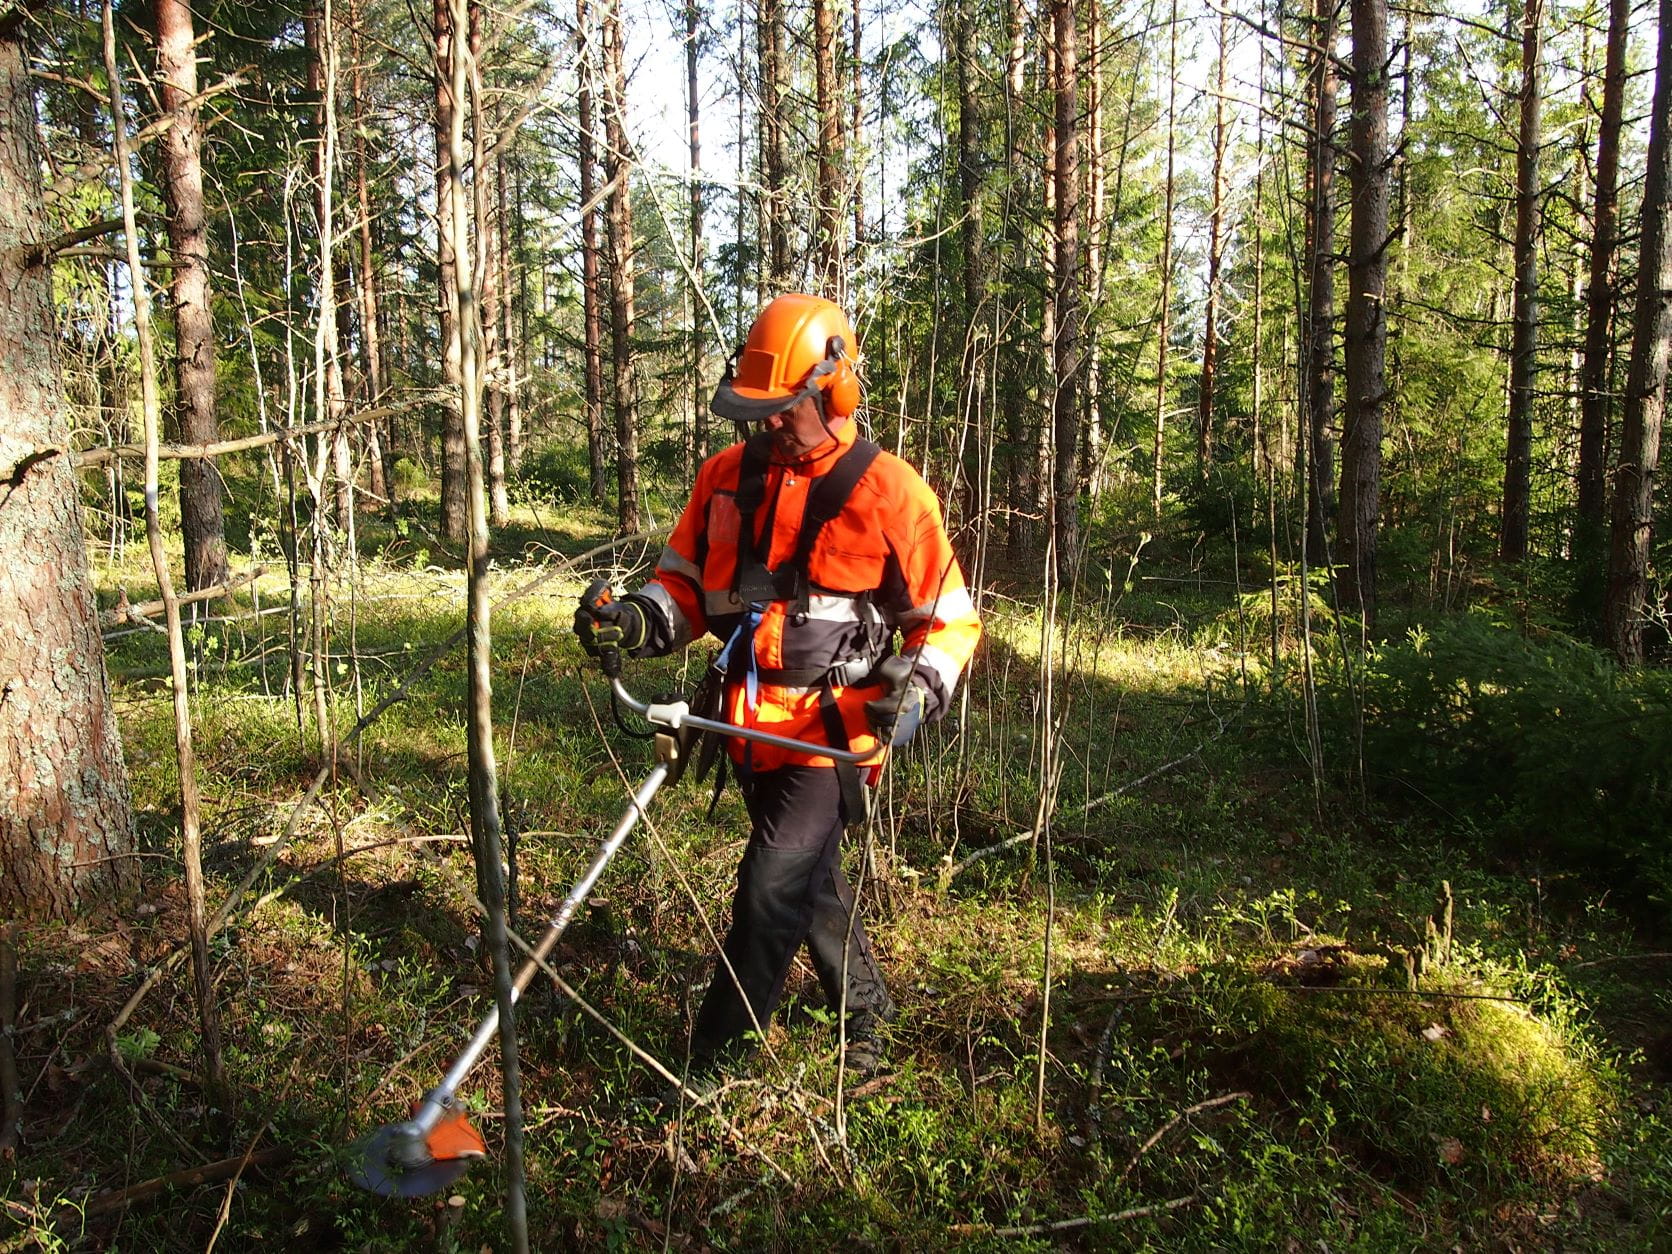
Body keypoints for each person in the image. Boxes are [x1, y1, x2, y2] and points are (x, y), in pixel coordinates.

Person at [574, 293, 981, 1079]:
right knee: (808, 881)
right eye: (755, 409)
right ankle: (868, 1014)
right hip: (743, 728)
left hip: (832, 736)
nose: (765, 425)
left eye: (782, 409)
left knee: (766, 892)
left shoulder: (892, 494)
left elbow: (950, 621)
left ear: (836, 393)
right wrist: (635, 619)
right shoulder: (726, 478)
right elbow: (684, 589)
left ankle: (707, 1068)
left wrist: (915, 686)